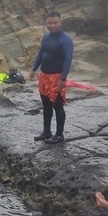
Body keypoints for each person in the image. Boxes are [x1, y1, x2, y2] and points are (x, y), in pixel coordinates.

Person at [28, 12, 74, 144]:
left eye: (55, 23)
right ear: (46, 23)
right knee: (46, 105)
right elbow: (41, 53)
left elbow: (68, 60)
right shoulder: (46, 37)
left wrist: (63, 78)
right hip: (44, 76)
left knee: (58, 106)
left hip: (57, 77)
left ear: (60, 23)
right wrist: (33, 69)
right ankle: (46, 131)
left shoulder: (65, 39)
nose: (52, 25)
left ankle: (59, 135)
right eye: (50, 23)